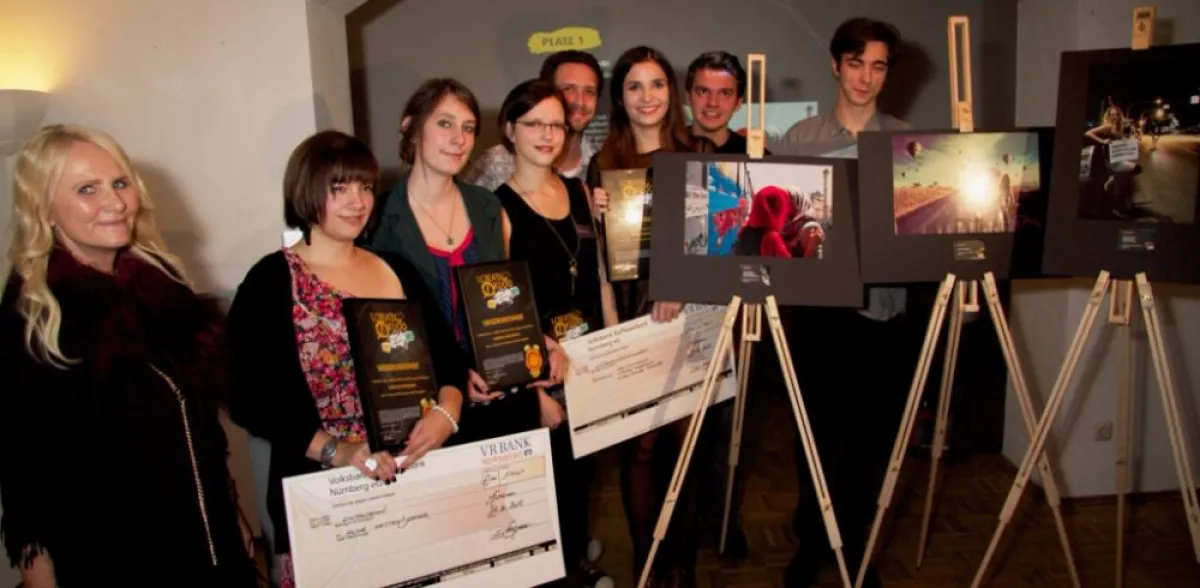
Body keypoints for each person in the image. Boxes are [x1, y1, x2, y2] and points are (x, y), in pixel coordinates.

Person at [0, 124, 259, 587]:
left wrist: (230, 508)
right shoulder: (37, 310)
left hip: (208, 546)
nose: (115, 202)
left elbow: (198, 425)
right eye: (87, 190)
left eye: (120, 183)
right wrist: (39, 574)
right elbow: (24, 464)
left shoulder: (162, 287)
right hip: (116, 558)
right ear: (46, 210)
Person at [227, 130, 466, 588]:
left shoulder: (395, 267)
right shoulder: (271, 281)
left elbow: (449, 362)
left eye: (365, 187)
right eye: (338, 189)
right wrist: (339, 451)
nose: (356, 202)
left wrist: (446, 414)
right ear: (305, 191)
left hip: (418, 481)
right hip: (327, 496)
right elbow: (249, 398)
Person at [773, 18, 916, 588]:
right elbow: (781, 234)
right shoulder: (798, 140)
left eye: (877, 66)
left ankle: (854, 543)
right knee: (815, 432)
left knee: (869, 436)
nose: (865, 77)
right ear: (836, 65)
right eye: (855, 63)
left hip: (884, 310)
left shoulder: (906, 139)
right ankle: (812, 537)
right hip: (816, 313)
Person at [368, 78, 564, 445]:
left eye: (468, 128)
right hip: (428, 412)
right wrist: (455, 377)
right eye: (444, 124)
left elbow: (503, 302)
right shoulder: (378, 219)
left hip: (500, 392)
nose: (459, 138)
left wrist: (539, 339)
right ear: (410, 129)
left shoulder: (487, 206)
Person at [586, 45, 711, 588]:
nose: (646, 96)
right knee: (639, 447)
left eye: (656, 84)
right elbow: (599, 259)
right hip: (631, 318)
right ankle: (647, 563)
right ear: (620, 97)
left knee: (686, 445)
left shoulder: (697, 150)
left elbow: (717, 239)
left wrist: (678, 285)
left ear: (672, 92)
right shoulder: (603, 161)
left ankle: (681, 563)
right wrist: (593, 216)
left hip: (692, 313)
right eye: (634, 86)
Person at [491, 79, 617, 588]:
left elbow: (599, 274)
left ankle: (574, 561)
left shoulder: (580, 192)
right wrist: (535, 387)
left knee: (582, 473)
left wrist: (610, 343)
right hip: (543, 368)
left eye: (556, 124)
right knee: (547, 480)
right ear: (510, 130)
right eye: (534, 123)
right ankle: (558, 575)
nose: (547, 134)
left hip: (587, 355)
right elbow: (501, 308)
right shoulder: (495, 206)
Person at [463, 50, 605, 190]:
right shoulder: (496, 162)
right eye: (568, 89)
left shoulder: (605, 161)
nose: (580, 101)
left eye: (589, 92)